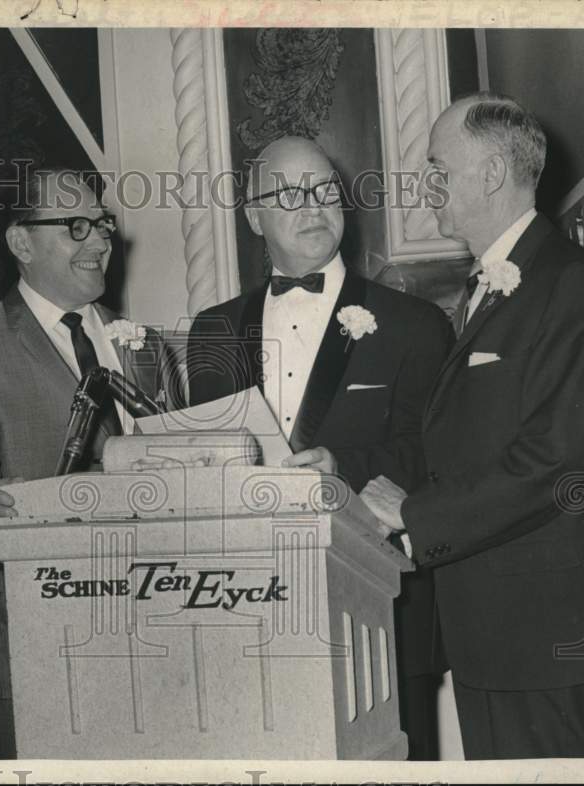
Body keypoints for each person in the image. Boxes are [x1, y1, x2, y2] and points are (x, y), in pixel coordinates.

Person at [360, 92, 584, 759]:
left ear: (488, 175)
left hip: (546, 642)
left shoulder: (568, 284)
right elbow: (467, 441)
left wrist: (414, 516)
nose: (426, 185)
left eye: (437, 167)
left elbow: (555, 461)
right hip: (499, 637)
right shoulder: (500, 283)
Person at [186, 137, 453, 759]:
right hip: (248, 614)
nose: (313, 206)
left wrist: (345, 468)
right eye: (289, 193)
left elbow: (438, 455)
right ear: (253, 215)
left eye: (327, 190)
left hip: (378, 609)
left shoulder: (414, 323)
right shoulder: (213, 329)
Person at [0, 168, 180, 758]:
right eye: (77, 227)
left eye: (104, 226)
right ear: (21, 242)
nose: (100, 243)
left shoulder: (144, 344)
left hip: (157, 622)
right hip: (38, 628)